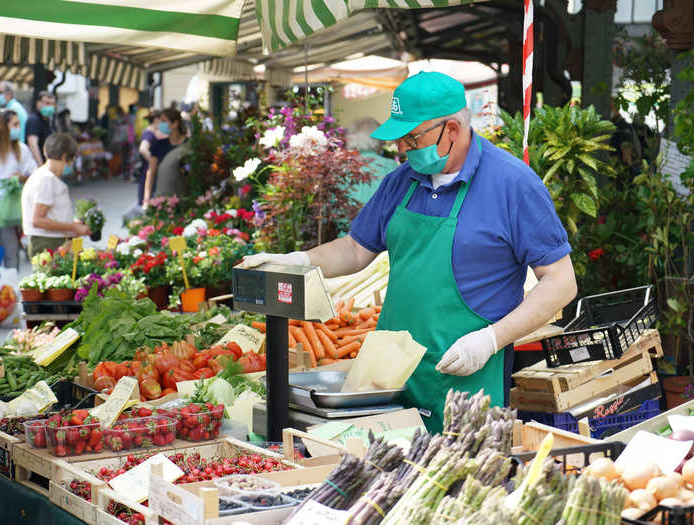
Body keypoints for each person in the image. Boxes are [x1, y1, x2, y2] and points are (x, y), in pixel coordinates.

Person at [239, 72, 577, 433]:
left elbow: (560, 282)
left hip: (466, 375)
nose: (402, 148)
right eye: (400, 138)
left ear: (452, 129)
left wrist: (490, 340)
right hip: (390, 377)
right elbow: (355, 249)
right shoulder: (400, 181)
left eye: (412, 137)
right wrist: (301, 260)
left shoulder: (513, 184)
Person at [21, 133, 90, 258]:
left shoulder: (44, 176)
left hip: (53, 241)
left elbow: (51, 214)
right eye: (72, 160)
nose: (70, 165)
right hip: (48, 243)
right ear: (64, 157)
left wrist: (74, 223)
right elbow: (38, 220)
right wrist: (73, 227)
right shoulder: (46, 180)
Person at [0, 110, 37, 268]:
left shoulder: (22, 149)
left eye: (18, 124)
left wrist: (22, 178)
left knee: (11, 250)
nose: (18, 128)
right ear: (3, 127)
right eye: (15, 124)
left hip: (11, 209)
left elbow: (33, 173)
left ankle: (10, 287)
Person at [346, 118, 399, 205]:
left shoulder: (341, 166)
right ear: (378, 139)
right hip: (378, 217)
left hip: (344, 217)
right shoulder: (390, 166)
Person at [142, 108, 189, 207]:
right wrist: (146, 199)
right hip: (163, 198)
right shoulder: (159, 145)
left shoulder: (188, 145)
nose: (160, 125)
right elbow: (151, 172)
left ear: (174, 124)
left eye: (164, 121)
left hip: (184, 197)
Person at [137, 109, 164, 205]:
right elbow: (143, 149)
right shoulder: (149, 133)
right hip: (149, 170)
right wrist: (154, 163)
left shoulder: (155, 132)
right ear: (156, 119)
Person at [25, 91, 56, 166]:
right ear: (38, 103)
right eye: (47, 103)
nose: (50, 106)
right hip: (35, 166)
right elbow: (32, 144)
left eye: (53, 104)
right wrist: (41, 166)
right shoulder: (34, 120)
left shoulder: (48, 121)